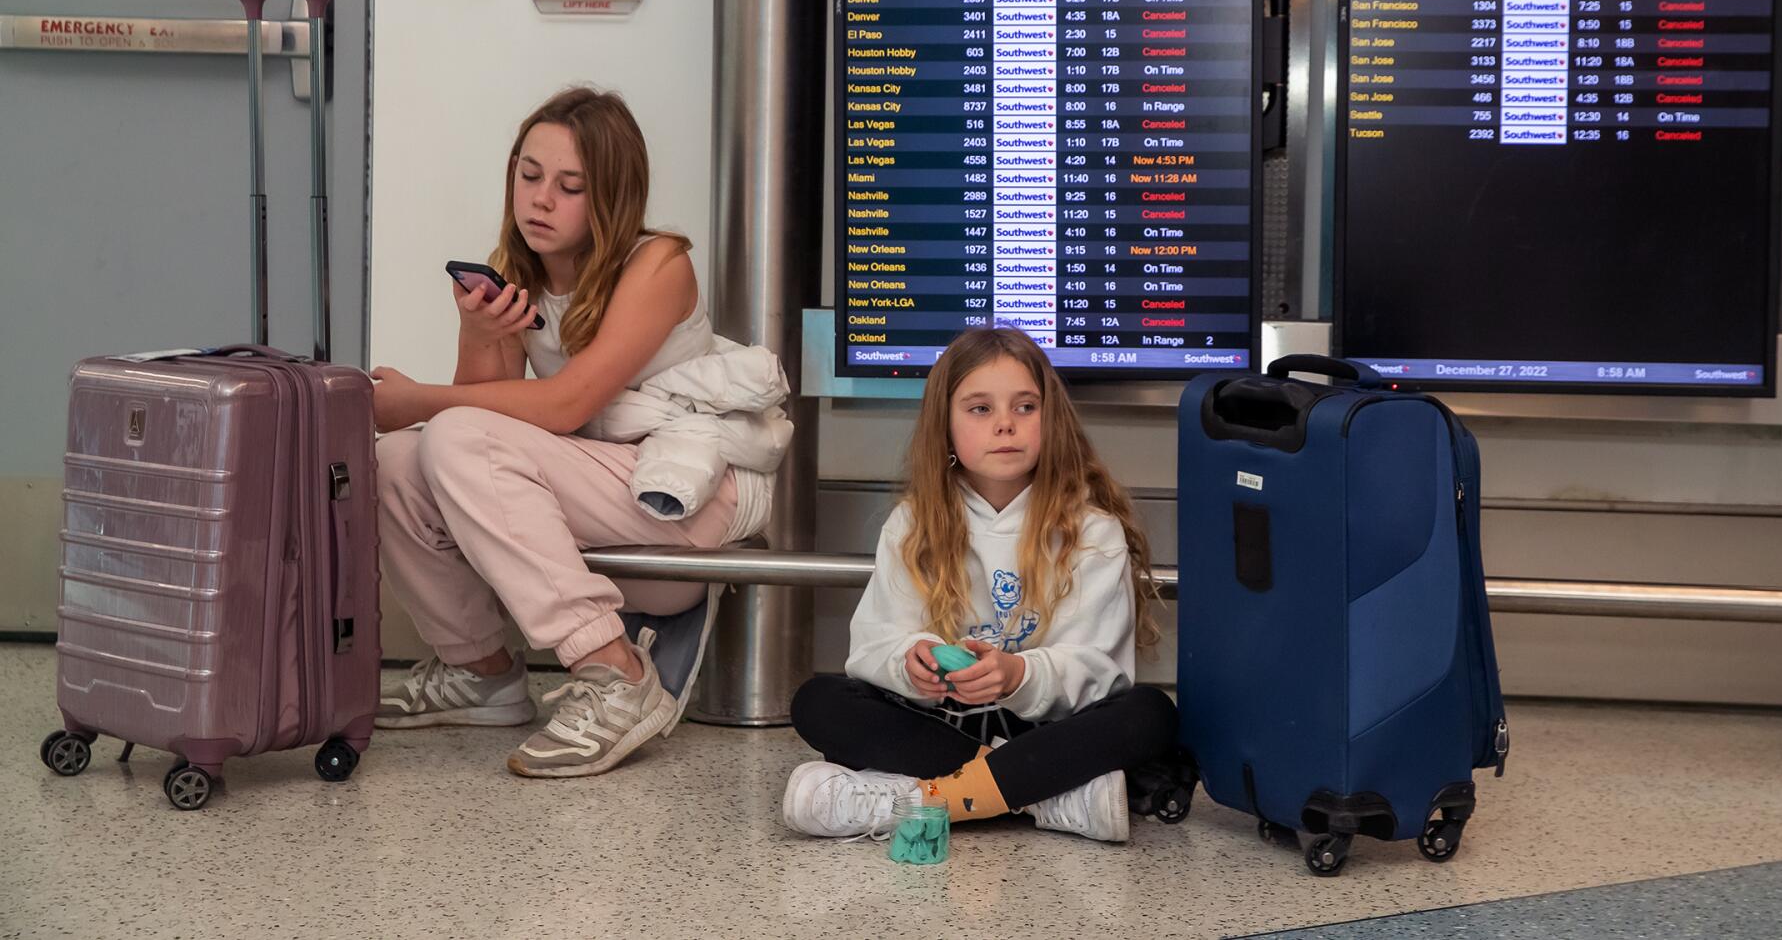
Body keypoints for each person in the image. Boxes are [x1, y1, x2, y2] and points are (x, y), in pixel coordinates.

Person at [369, 86, 778, 777]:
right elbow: (470, 431)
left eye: (570, 186)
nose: (540, 199)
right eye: (529, 176)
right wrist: (477, 330)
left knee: (442, 429)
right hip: (598, 512)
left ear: (612, 195)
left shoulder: (659, 263)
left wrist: (412, 397)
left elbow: (564, 404)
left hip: (688, 506)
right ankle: (483, 671)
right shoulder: (520, 272)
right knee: (397, 460)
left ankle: (616, 672)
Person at [784, 327, 1179, 843]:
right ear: (945, 428)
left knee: (1149, 715)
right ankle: (1048, 796)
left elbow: (1099, 670)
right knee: (818, 701)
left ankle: (914, 801)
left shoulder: (1092, 531)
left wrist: (1017, 674)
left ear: (1051, 419)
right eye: (979, 409)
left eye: (1025, 407)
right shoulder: (912, 525)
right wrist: (913, 661)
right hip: (942, 725)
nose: (1005, 426)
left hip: (1044, 729)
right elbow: (873, 647)